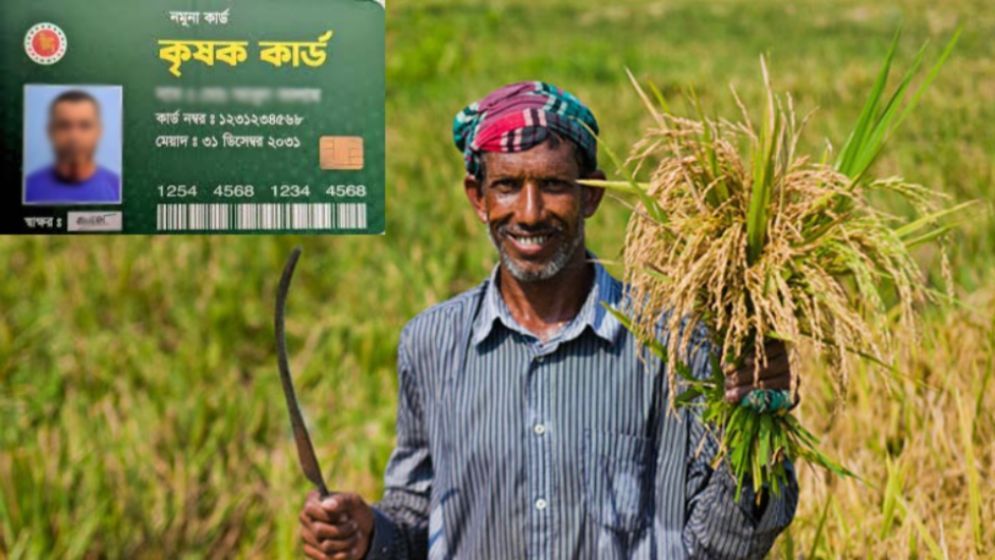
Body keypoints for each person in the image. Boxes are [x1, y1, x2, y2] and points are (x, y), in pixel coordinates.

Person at [299, 81, 798, 559]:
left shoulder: (675, 344)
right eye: (508, 186)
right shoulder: (432, 343)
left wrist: (755, 426)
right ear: (478, 198)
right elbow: (419, 518)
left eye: (555, 185)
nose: (531, 212)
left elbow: (723, 545)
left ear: (592, 195)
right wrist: (368, 536)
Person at [25, 90, 121, 204]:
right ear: (49, 131)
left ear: (99, 131)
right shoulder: (27, 189)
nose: (74, 137)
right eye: (64, 126)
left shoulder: (118, 189)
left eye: (85, 125)